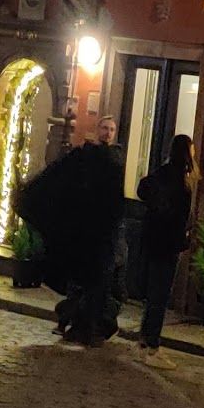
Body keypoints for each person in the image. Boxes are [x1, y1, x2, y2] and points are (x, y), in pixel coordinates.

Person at [18, 131, 124, 346]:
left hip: (86, 239)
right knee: (96, 284)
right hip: (94, 240)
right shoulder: (98, 175)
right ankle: (85, 326)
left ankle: (82, 324)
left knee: (91, 284)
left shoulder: (84, 171)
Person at [137, 134, 196, 354]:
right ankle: (151, 342)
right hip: (167, 242)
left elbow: (143, 189)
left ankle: (146, 337)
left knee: (155, 291)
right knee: (160, 293)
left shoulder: (164, 172)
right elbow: (178, 214)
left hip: (156, 239)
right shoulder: (179, 179)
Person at [95, 116, 128, 309]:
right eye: (105, 128)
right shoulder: (92, 153)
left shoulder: (117, 156)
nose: (108, 133)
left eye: (112, 129)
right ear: (98, 129)